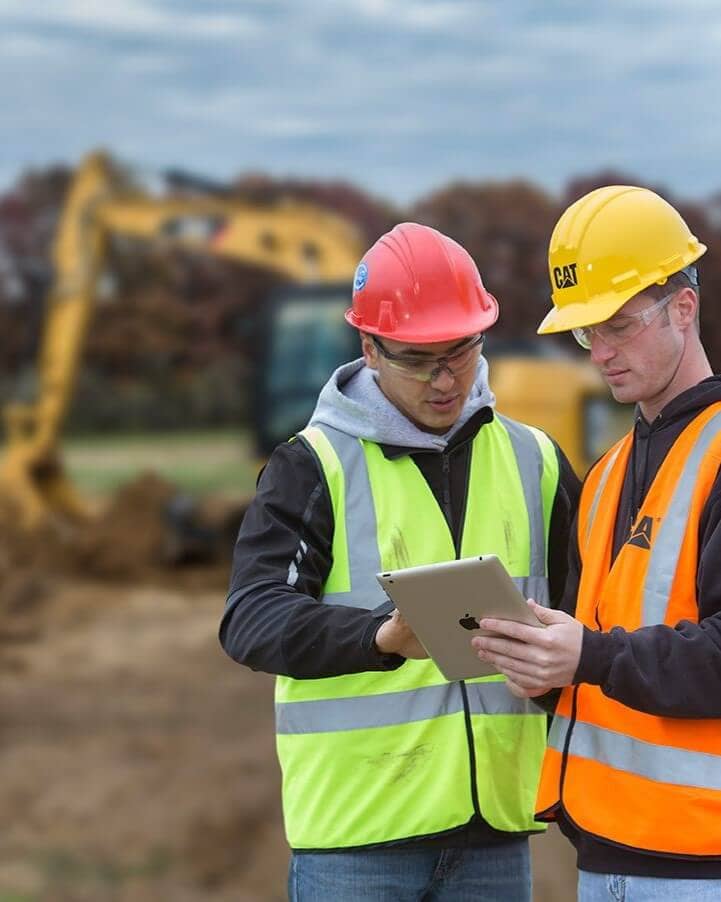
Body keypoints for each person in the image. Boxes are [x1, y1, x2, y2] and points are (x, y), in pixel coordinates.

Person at [220, 222, 580, 902]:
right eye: (418, 359)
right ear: (369, 349)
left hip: (494, 833)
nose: (444, 380)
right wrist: (380, 637)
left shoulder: (534, 460)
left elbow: (588, 615)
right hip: (357, 839)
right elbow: (250, 619)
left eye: (461, 352)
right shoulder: (313, 466)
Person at [473, 186, 721, 901]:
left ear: (682, 306)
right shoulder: (607, 474)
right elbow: (605, 650)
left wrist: (588, 654)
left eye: (617, 326)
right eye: (587, 334)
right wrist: (548, 672)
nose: (601, 354)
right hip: (607, 850)